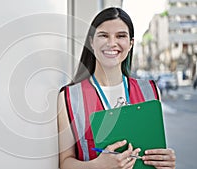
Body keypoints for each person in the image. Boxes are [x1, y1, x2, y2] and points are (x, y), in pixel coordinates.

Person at [57, 7, 176, 169]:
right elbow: (65, 162)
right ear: (91, 42)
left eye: (121, 36)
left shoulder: (151, 90)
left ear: (131, 43)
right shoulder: (69, 97)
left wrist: (166, 161)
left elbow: (156, 150)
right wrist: (97, 166)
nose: (112, 43)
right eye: (104, 35)